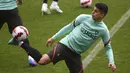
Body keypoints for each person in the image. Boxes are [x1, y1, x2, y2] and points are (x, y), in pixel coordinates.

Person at [18, 3, 116, 73]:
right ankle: (21, 43)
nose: (92, 12)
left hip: (76, 54)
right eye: (93, 10)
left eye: (96, 11)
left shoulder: (103, 30)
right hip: (64, 46)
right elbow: (68, 27)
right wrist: (53, 37)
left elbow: (108, 47)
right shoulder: (83, 17)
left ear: (102, 14)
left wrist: (111, 62)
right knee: (42, 61)